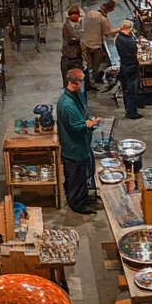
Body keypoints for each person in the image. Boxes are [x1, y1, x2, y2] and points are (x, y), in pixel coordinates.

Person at [56, 68, 102, 215]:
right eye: (81, 81)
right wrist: (88, 124)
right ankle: (76, 203)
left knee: (82, 176)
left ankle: (84, 197)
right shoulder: (67, 104)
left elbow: (82, 114)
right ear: (73, 83)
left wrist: (89, 119)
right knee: (75, 178)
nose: (82, 84)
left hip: (80, 147)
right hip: (73, 149)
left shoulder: (74, 96)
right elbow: (73, 126)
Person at [82, 0, 117, 89]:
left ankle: (88, 82)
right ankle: (93, 80)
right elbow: (108, 33)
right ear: (110, 9)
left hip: (85, 42)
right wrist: (120, 29)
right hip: (96, 45)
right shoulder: (102, 18)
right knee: (96, 65)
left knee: (87, 64)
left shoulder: (90, 13)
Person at [115, 20, 143, 119]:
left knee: (127, 90)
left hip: (125, 66)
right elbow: (134, 48)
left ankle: (130, 108)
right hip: (130, 67)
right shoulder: (127, 40)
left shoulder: (119, 38)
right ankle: (132, 112)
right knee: (131, 90)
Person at [60, 6, 84, 89]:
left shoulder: (77, 25)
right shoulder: (67, 27)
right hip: (69, 58)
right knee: (69, 84)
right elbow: (76, 38)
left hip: (76, 56)